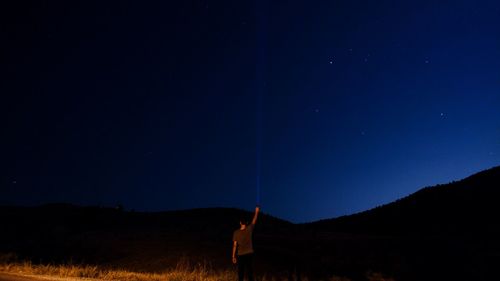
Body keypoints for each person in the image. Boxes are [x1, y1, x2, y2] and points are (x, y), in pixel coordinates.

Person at [232, 205, 260, 281]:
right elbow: (254, 220)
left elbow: (234, 245)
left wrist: (233, 256)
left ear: (240, 222)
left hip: (240, 254)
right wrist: (256, 212)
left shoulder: (236, 232)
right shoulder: (249, 229)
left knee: (240, 273)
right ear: (246, 223)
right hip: (249, 254)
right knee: (249, 272)